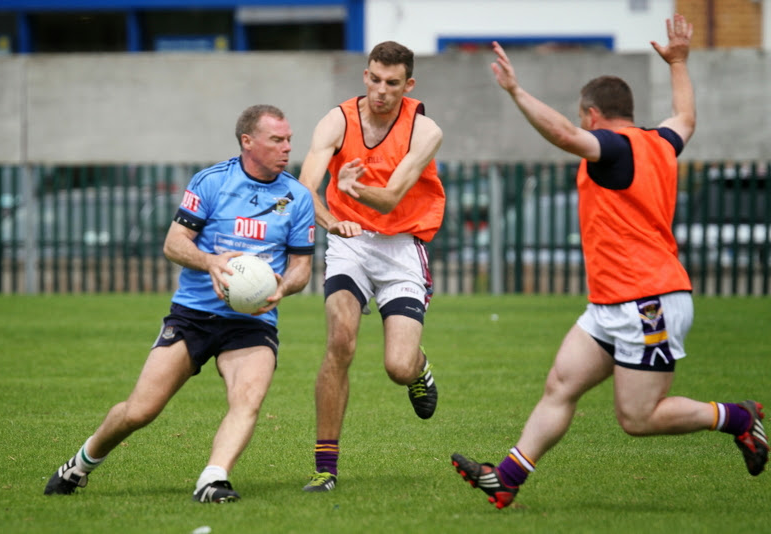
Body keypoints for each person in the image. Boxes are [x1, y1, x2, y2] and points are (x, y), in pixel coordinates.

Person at [451, 14, 767, 509]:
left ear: (594, 115)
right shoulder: (660, 141)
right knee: (561, 383)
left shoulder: (614, 148)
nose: (581, 127)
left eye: (584, 120)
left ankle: (738, 418)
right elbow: (686, 118)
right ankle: (507, 478)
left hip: (648, 302)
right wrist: (679, 63)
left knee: (638, 418)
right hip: (612, 302)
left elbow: (560, 134)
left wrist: (516, 91)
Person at [43, 104, 316, 503]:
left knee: (247, 400)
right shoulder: (211, 183)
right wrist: (210, 263)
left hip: (251, 322)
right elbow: (174, 244)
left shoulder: (297, 196)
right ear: (247, 142)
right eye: (277, 139)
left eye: (289, 138)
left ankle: (213, 479)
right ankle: (81, 464)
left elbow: (302, 268)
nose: (287, 147)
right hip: (193, 316)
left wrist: (281, 290)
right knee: (140, 410)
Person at [298, 41, 445, 492]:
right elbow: (306, 188)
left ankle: (418, 368)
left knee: (397, 367)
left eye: (393, 83)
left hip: (402, 245)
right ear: (365, 75)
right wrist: (332, 220)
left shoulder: (425, 130)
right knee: (340, 342)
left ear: (409, 84)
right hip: (351, 242)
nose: (382, 91)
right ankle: (326, 468)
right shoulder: (337, 120)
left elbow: (390, 197)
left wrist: (351, 189)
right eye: (375, 80)